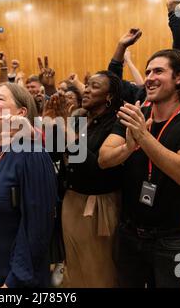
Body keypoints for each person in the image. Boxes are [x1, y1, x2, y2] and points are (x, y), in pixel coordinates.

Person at [98, 46, 180, 287]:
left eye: (158, 71)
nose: (150, 78)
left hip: (173, 242)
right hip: (129, 234)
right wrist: (127, 148)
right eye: (148, 71)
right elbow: (104, 159)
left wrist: (143, 137)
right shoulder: (135, 114)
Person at [0, 83, 57, 288]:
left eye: (0, 99)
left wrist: (15, 280)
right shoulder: (0, 151)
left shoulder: (32, 154)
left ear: (21, 112)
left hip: (10, 276)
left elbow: (37, 228)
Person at [45, 70, 123, 288]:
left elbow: (93, 167)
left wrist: (65, 125)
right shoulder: (79, 118)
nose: (86, 89)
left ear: (109, 96)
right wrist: (53, 123)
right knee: (74, 267)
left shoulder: (116, 123)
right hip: (71, 199)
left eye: (95, 86)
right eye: (87, 85)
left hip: (98, 204)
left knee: (98, 270)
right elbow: (54, 152)